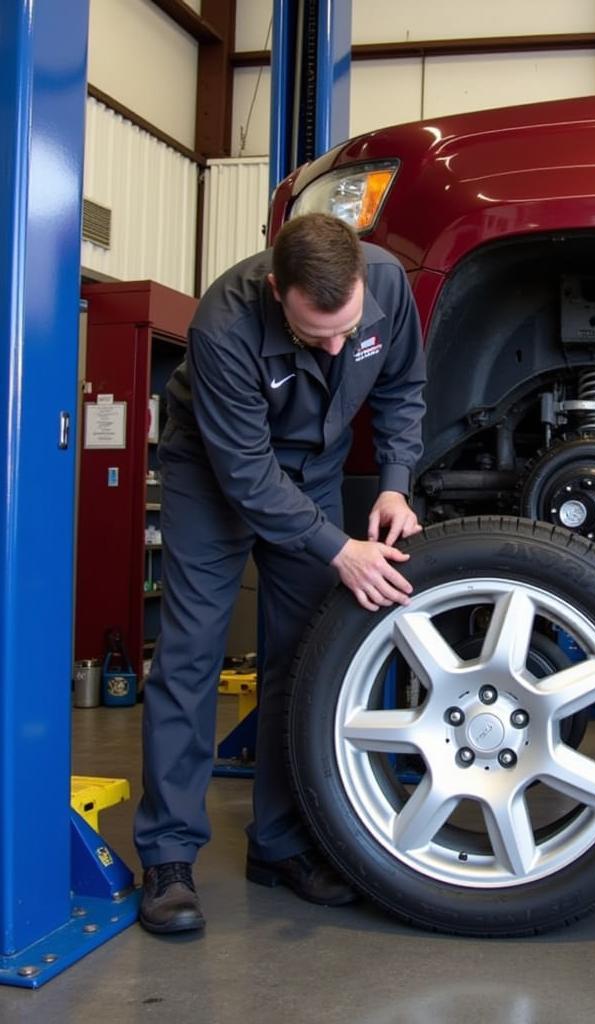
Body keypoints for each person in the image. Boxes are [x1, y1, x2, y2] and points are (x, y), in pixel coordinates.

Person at [135, 213, 426, 934]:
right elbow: (246, 475)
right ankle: (168, 856)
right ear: (276, 289)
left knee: (299, 655)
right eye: (312, 335)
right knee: (190, 656)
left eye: (345, 332)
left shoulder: (387, 285)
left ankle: (280, 844)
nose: (334, 349)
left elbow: (401, 389)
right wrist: (339, 547)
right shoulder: (223, 325)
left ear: (362, 281)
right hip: (213, 474)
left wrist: (394, 482)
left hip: (315, 470)